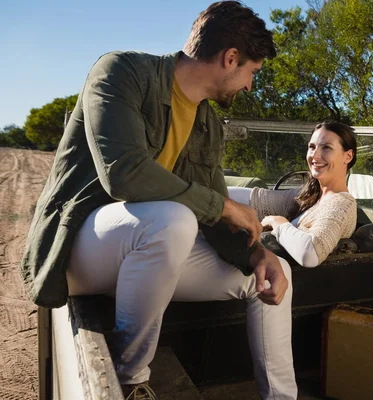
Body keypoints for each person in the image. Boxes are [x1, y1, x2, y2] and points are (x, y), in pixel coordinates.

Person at [20, 2, 297, 399]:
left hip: (147, 256)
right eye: (251, 72)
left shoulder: (207, 124)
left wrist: (256, 255)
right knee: (173, 221)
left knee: (270, 272)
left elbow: (217, 214)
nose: (250, 85)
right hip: (78, 246)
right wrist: (221, 206)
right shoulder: (120, 72)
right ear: (230, 58)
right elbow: (124, 174)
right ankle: (131, 381)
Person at [228, 121, 358, 268]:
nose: (315, 155)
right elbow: (256, 198)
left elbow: (311, 254)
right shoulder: (313, 197)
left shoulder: (342, 203)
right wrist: (212, 200)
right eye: (312, 147)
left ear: (348, 156)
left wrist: (278, 222)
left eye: (327, 147)